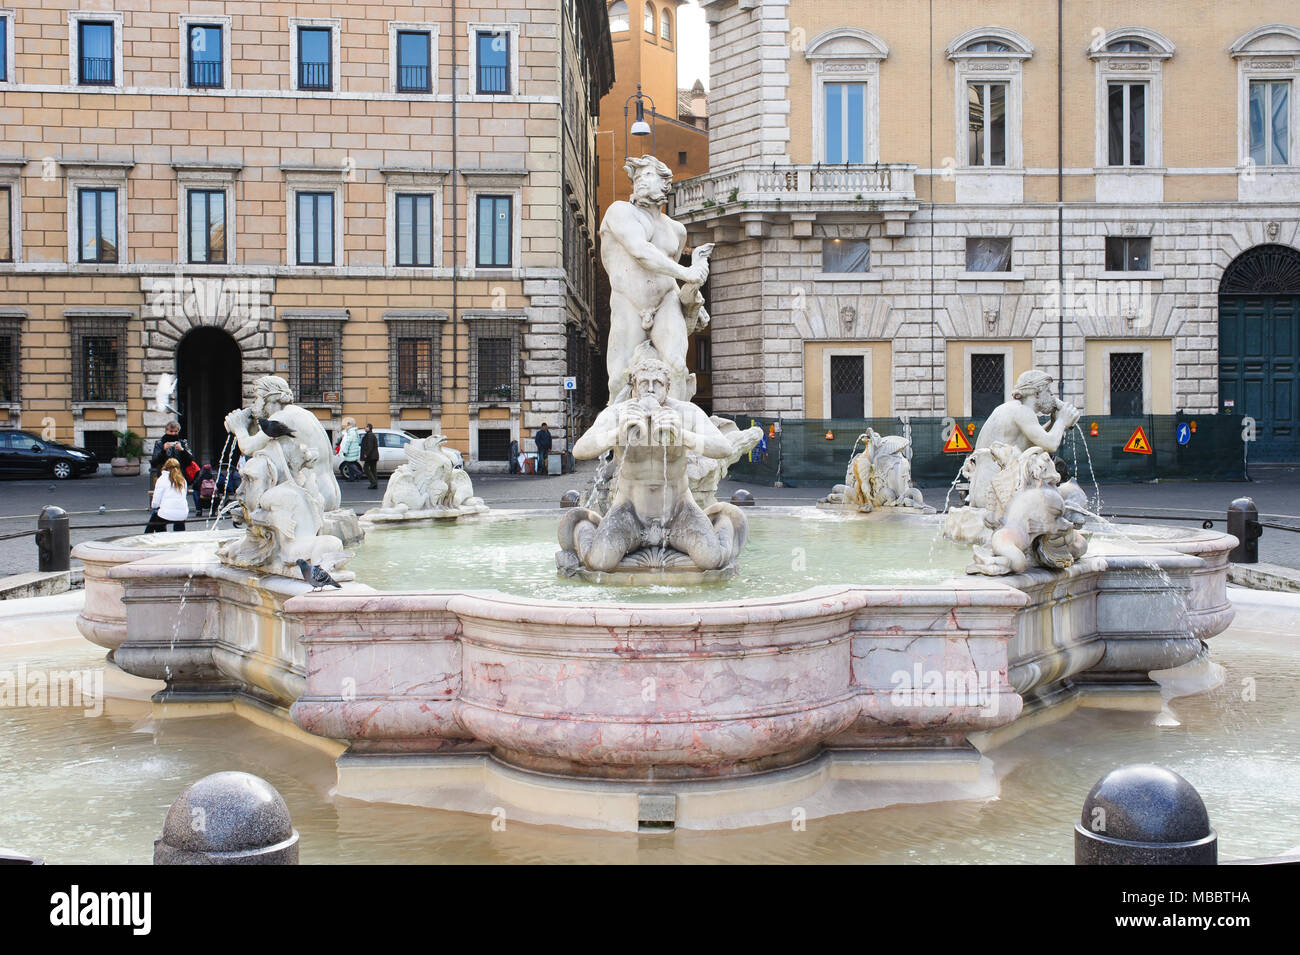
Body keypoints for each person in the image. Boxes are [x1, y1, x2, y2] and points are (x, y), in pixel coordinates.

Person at [599, 155, 713, 401]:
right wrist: (687, 273)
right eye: (638, 177)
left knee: (676, 367)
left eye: (648, 175)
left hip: (666, 301)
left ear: (664, 184)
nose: (640, 180)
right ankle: (622, 433)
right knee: (619, 378)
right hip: (628, 301)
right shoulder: (619, 212)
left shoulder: (676, 230)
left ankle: (677, 430)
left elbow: (667, 269)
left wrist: (693, 296)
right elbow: (641, 252)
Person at [966, 370, 1081, 509]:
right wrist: (1061, 421)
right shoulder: (1023, 412)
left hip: (981, 492)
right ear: (1037, 393)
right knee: (1070, 495)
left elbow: (1034, 443)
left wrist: (1053, 422)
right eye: (1048, 390)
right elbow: (1051, 444)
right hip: (997, 495)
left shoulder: (1008, 409)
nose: (1052, 395)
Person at [146, 457, 190, 533]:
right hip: (182, 513)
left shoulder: (162, 479)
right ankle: (180, 535)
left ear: (166, 467)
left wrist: (154, 506)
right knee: (179, 520)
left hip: (166, 513)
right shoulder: (183, 480)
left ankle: (160, 535)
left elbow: (156, 502)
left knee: (156, 517)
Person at [360, 423, 380, 489]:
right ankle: (375, 484)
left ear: (369, 428)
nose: (364, 428)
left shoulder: (370, 435)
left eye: (366, 427)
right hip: (373, 456)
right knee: (373, 470)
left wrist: (366, 454)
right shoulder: (370, 435)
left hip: (370, 456)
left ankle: (373, 482)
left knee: (365, 468)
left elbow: (370, 446)